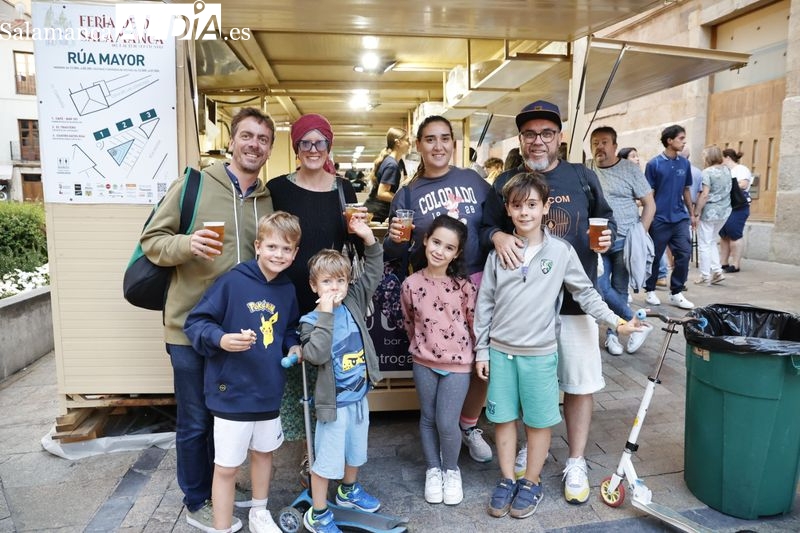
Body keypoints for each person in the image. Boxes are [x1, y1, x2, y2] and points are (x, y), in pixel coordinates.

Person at [475, 172, 643, 519]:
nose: (525, 213)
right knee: (503, 419)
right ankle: (507, 479)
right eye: (517, 206)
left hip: (539, 355)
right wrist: (481, 349)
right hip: (501, 353)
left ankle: (531, 481)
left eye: (532, 205)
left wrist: (617, 321)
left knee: (538, 422)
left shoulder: (561, 252)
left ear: (546, 207)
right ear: (507, 209)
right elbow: (485, 306)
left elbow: (585, 294)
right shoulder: (499, 255)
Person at [140, 107, 275, 532]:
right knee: (195, 420)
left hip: (238, 334)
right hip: (188, 327)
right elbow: (152, 242)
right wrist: (186, 245)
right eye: (247, 136)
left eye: (263, 139)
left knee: (228, 417)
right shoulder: (194, 184)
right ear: (231, 141)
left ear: (269, 149)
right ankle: (197, 499)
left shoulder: (267, 199)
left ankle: (223, 487)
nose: (254, 144)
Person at [480, 100, 616, 504]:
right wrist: (497, 236)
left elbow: (605, 222)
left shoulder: (583, 176)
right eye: (529, 134)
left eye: (546, 133)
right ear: (520, 140)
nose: (537, 141)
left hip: (575, 301)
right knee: (526, 383)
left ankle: (575, 459)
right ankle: (529, 449)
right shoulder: (505, 179)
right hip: (523, 307)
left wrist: (608, 241)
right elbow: (486, 225)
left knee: (579, 382)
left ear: (559, 138)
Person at [384, 115, 493, 464]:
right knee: (442, 359)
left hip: (479, 281)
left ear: (454, 143)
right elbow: (396, 250)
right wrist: (396, 241)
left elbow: (494, 224)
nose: (438, 146)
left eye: (445, 138)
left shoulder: (474, 180)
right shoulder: (408, 192)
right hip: (437, 289)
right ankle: (443, 431)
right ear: (418, 146)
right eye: (430, 139)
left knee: (483, 361)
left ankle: (468, 424)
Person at [184, 212, 302, 533]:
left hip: (268, 390)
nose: (279, 255)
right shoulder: (232, 281)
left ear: (295, 254)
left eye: (287, 249)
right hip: (231, 392)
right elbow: (195, 323)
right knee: (226, 467)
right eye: (273, 247)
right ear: (258, 246)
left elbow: (289, 328)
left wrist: (293, 346)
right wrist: (221, 339)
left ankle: (259, 513)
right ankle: (222, 526)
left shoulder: (287, 289)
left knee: (264, 454)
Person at [267, 113, 362, 443]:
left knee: (327, 368)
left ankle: (324, 442)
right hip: (286, 292)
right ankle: (303, 444)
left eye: (319, 142)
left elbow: (352, 240)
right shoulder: (277, 188)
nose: (312, 148)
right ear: (296, 147)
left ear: (329, 146)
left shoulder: (343, 188)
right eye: (305, 142)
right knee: (295, 369)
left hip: (329, 294)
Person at [299, 213, 384, 533]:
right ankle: (318, 512)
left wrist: (369, 238)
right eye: (326, 282)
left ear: (348, 283)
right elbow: (317, 353)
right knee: (327, 460)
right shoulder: (310, 321)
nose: (334, 287)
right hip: (333, 406)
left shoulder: (353, 301)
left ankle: (348, 490)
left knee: (355, 451)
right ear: (313, 285)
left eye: (340, 281)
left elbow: (374, 269)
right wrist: (324, 313)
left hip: (359, 396)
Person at [400, 216, 477, 506]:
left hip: (457, 366)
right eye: (436, 242)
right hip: (423, 362)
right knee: (428, 419)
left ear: (456, 253)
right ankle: (433, 470)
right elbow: (409, 321)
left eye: (448, 247)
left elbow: (474, 325)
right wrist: (421, 347)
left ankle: (451, 470)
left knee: (447, 422)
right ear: (425, 240)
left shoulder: (464, 287)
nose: (439, 251)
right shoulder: (410, 283)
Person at [587, 126, 656, 355]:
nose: (599, 147)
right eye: (595, 142)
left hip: (624, 241)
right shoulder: (586, 170)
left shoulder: (629, 169)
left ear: (615, 146)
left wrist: (641, 234)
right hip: (596, 240)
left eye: (604, 142)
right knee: (599, 287)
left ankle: (613, 336)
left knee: (618, 287)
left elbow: (649, 204)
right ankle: (634, 322)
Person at [642, 125, 695, 310]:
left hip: (680, 218)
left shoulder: (685, 163)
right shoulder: (654, 164)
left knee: (684, 254)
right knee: (655, 257)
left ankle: (676, 293)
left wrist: (692, 214)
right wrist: (646, 221)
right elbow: (649, 194)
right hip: (660, 218)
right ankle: (649, 290)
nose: (684, 142)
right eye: (681, 138)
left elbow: (686, 189)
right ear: (669, 140)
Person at [621, 147, 668, 287]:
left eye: (637, 156)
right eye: (632, 156)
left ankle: (661, 274)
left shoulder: (640, 175)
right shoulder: (622, 176)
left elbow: (646, 199)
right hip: (628, 223)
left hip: (642, 219)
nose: (637, 159)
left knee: (650, 249)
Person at [692, 145, 732, 285]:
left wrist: (696, 212)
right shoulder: (727, 170)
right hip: (725, 211)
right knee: (712, 241)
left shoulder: (707, 172)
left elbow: (704, 194)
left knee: (704, 244)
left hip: (710, 212)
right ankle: (717, 271)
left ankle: (705, 275)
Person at [363, 127, 410, 223]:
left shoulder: (399, 162)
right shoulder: (391, 165)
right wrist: (404, 201)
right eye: (407, 140)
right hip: (377, 213)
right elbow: (382, 193)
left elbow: (404, 181)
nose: (409, 144)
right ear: (398, 142)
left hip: (381, 211)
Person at [719, 148, 753, 273]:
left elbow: (743, 184)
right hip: (725, 206)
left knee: (734, 233)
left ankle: (736, 264)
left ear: (727, 157)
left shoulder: (741, 169)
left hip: (738, 207)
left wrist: (725, 185)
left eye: (721, 158)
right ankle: (723, 263)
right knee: (724, 235)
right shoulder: (724, 170)